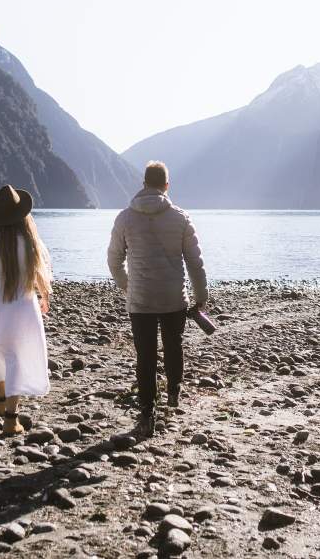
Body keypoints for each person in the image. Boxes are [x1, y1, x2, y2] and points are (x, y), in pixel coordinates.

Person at [107, 161, 209, 437]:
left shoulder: (125, 218)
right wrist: (200, 296)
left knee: (146, 356)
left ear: (143, 184)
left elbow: (114, 261)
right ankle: (174, 392)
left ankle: (147, 412)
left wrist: (129, 287)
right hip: (173, 296)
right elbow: (195, 263)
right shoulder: (181, 218)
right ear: (166, 185)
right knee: (173, 346)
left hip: (140, 299)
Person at [0, 184, 52, 436]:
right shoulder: (29, 242)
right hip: (21, 307)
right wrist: (44, 295)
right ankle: (10, 419)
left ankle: (0, 401)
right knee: (16, 358)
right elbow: (38, 275)